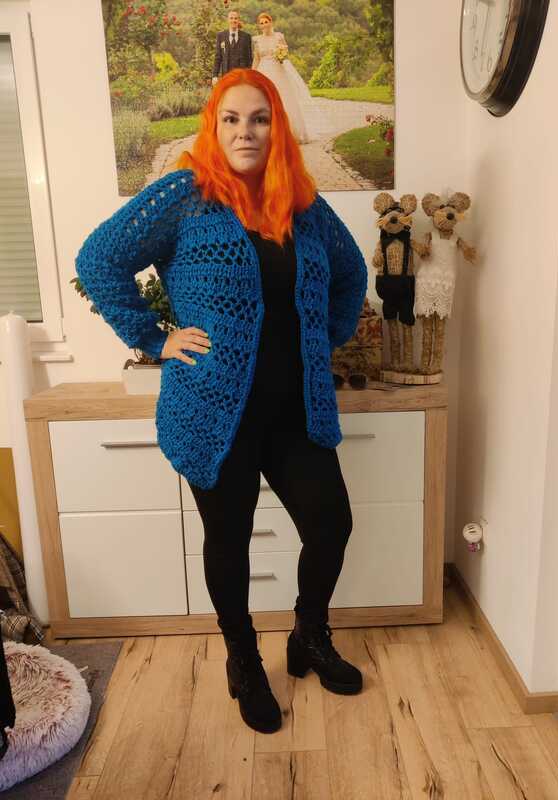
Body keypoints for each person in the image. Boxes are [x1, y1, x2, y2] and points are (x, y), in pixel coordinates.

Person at [74, 68, 368, 736]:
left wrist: (325, 335)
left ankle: (309, 634)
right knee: (229, 540)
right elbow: (99, 259)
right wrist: (155, 338)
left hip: (296, 412)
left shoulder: (303, 204)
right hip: (214, 411)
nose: (245, 131)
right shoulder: (185, 195)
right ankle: (243, 659)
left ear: (277, 126)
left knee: (331, 523)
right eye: (231, 118)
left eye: (259, 118)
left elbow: (351, 273)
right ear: (213, 124)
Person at [251, 12, 317, 143]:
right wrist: (252, 74)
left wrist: (281, 55)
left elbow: (286, 53)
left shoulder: (279, 37)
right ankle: (268, 134)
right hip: (264, 72)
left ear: (271, 22)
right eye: (262, 23)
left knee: (284, 100)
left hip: (278, 71)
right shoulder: (257, 40)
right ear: (259, 26)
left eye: (266, 22)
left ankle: (288, 132)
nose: (264, 25)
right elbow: (256, 59)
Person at [212, 9, 252, 85]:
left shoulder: (246, 37)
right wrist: (215, 75)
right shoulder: (221, 36)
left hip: (241, 75)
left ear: (238, 20)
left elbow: (249, 58)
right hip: (226, 74)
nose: (233, 20)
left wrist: (249, 75)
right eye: (231, 18)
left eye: (236, 18)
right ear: (228, 20)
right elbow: (218, 57)